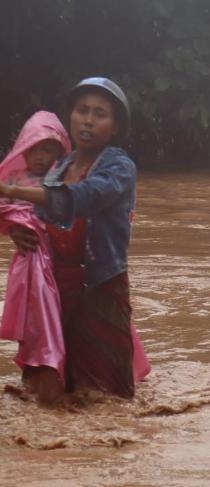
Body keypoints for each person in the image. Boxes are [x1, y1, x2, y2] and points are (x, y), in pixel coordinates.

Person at [1, 78, 150, 398]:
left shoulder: (119, 166)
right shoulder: (61, 166)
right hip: (58, 288)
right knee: (53, 387)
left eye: (100, 113)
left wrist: (12, 190)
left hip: (101, 285)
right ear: (70, 117)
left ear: (115, 127)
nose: (89, 120)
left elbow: (84, 197)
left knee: (106, 393)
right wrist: (17, 230)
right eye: (82, 111)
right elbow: (40, 218)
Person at [0, 111, 71, 403]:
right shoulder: (12, 178)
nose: (40, 156)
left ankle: (53, 374)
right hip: (30, 260)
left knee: (61, 318)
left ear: (58, 152)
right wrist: (13, 226)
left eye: (47, 150)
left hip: (60, 261)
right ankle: (38, 374)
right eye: (35, 149)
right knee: (35, 314)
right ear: (23, 149)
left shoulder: (63, 181)